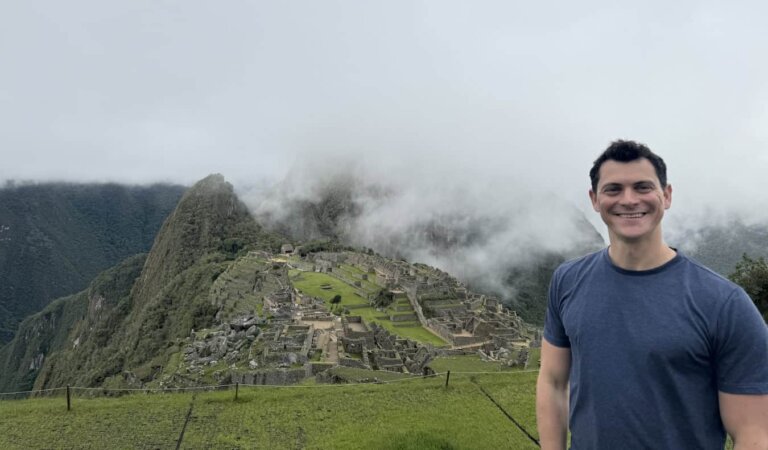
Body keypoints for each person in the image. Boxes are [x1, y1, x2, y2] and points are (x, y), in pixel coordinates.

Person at [536, 140, 768, 449]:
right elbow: (552, 382)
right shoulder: (567, 280)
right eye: (613, 189)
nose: (629, 200)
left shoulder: (724, 303)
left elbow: (753, 432)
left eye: (643, 187)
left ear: (667, 195)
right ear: (594, 199)